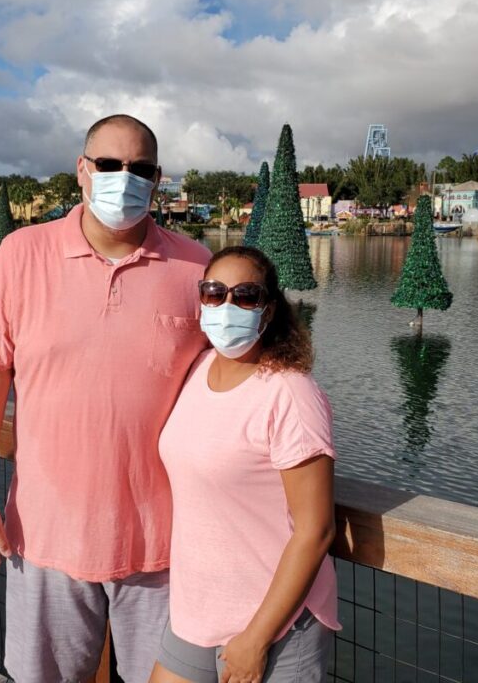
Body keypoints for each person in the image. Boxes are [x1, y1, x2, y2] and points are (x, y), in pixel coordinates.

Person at [0, 114, 211, 683]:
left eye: (140, 168)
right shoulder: (21, 255)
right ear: (82, 170)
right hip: (46, 534)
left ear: (158, 178)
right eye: (109, 165)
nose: (125, 178)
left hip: (166, 544)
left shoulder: (198, 268)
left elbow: (231, 383)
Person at [152, 246, 339, 683]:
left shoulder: (290, 394)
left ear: (269, 309)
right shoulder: (198, 369)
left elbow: (316, 530)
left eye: (246, 295)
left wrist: (256, 639)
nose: (227, 305)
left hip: (274, 626)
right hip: (196, 614)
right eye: (214, 293)